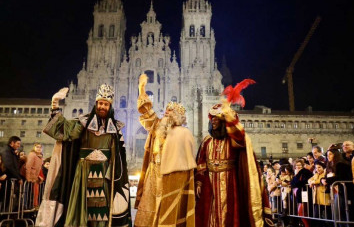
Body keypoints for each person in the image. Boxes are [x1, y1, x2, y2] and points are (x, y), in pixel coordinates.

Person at [36, 84, 131, 227]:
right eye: (100, 103)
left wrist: (114, 172)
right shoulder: (84, 122)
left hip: (104, 173)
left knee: (100, 210)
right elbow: (66, 131)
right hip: (83, 172)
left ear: (109, 107)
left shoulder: (115, 129)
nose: (102, 107)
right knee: (81, 206)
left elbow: (118, 154)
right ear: (96, 104)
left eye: (105, 104)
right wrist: (55, 105)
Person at [195, 98, 272, 226]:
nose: (213, 121)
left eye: (216, 118)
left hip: (230, 181)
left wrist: (231, 118)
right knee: (209, 213)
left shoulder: (233, 140)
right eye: (212, 118)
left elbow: (240, 137)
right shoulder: (207, 141)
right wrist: (199, 181)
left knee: (230, 212)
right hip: (209, 182)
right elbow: (201, 163)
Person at [134, 74, 197, 227]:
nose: (165, 113)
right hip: (153, 175)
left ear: (176, 116)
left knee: (169, 213)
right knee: (149, 212)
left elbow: (187, 162)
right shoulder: (157, 125)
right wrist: (142, 89)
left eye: (169, 111)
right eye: (166, 110)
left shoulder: (184, 134)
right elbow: (146, 112)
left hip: (172, 178)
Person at [291, 158, 313, 227]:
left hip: (306, 195)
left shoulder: (306, 172)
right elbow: (293, 183)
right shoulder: (297, 174)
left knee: (301, 212)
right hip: (300, 196)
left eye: (300, 165)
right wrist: (296, 175)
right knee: (302, 212)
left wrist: (297, 175)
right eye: (297, 165)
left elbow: (300, 183)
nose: (298, 167)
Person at [25, 143, 44, 208]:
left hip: (35, 177)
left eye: (40, 147)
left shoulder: (40, 156)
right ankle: (28, 206)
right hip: (31, 177)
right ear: (34, 148)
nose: (39, 148)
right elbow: (28, 166)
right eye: (37, 147)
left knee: (35, 193)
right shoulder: (32, 155)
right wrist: (28, 177)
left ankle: (33, 205)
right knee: (29, 193)